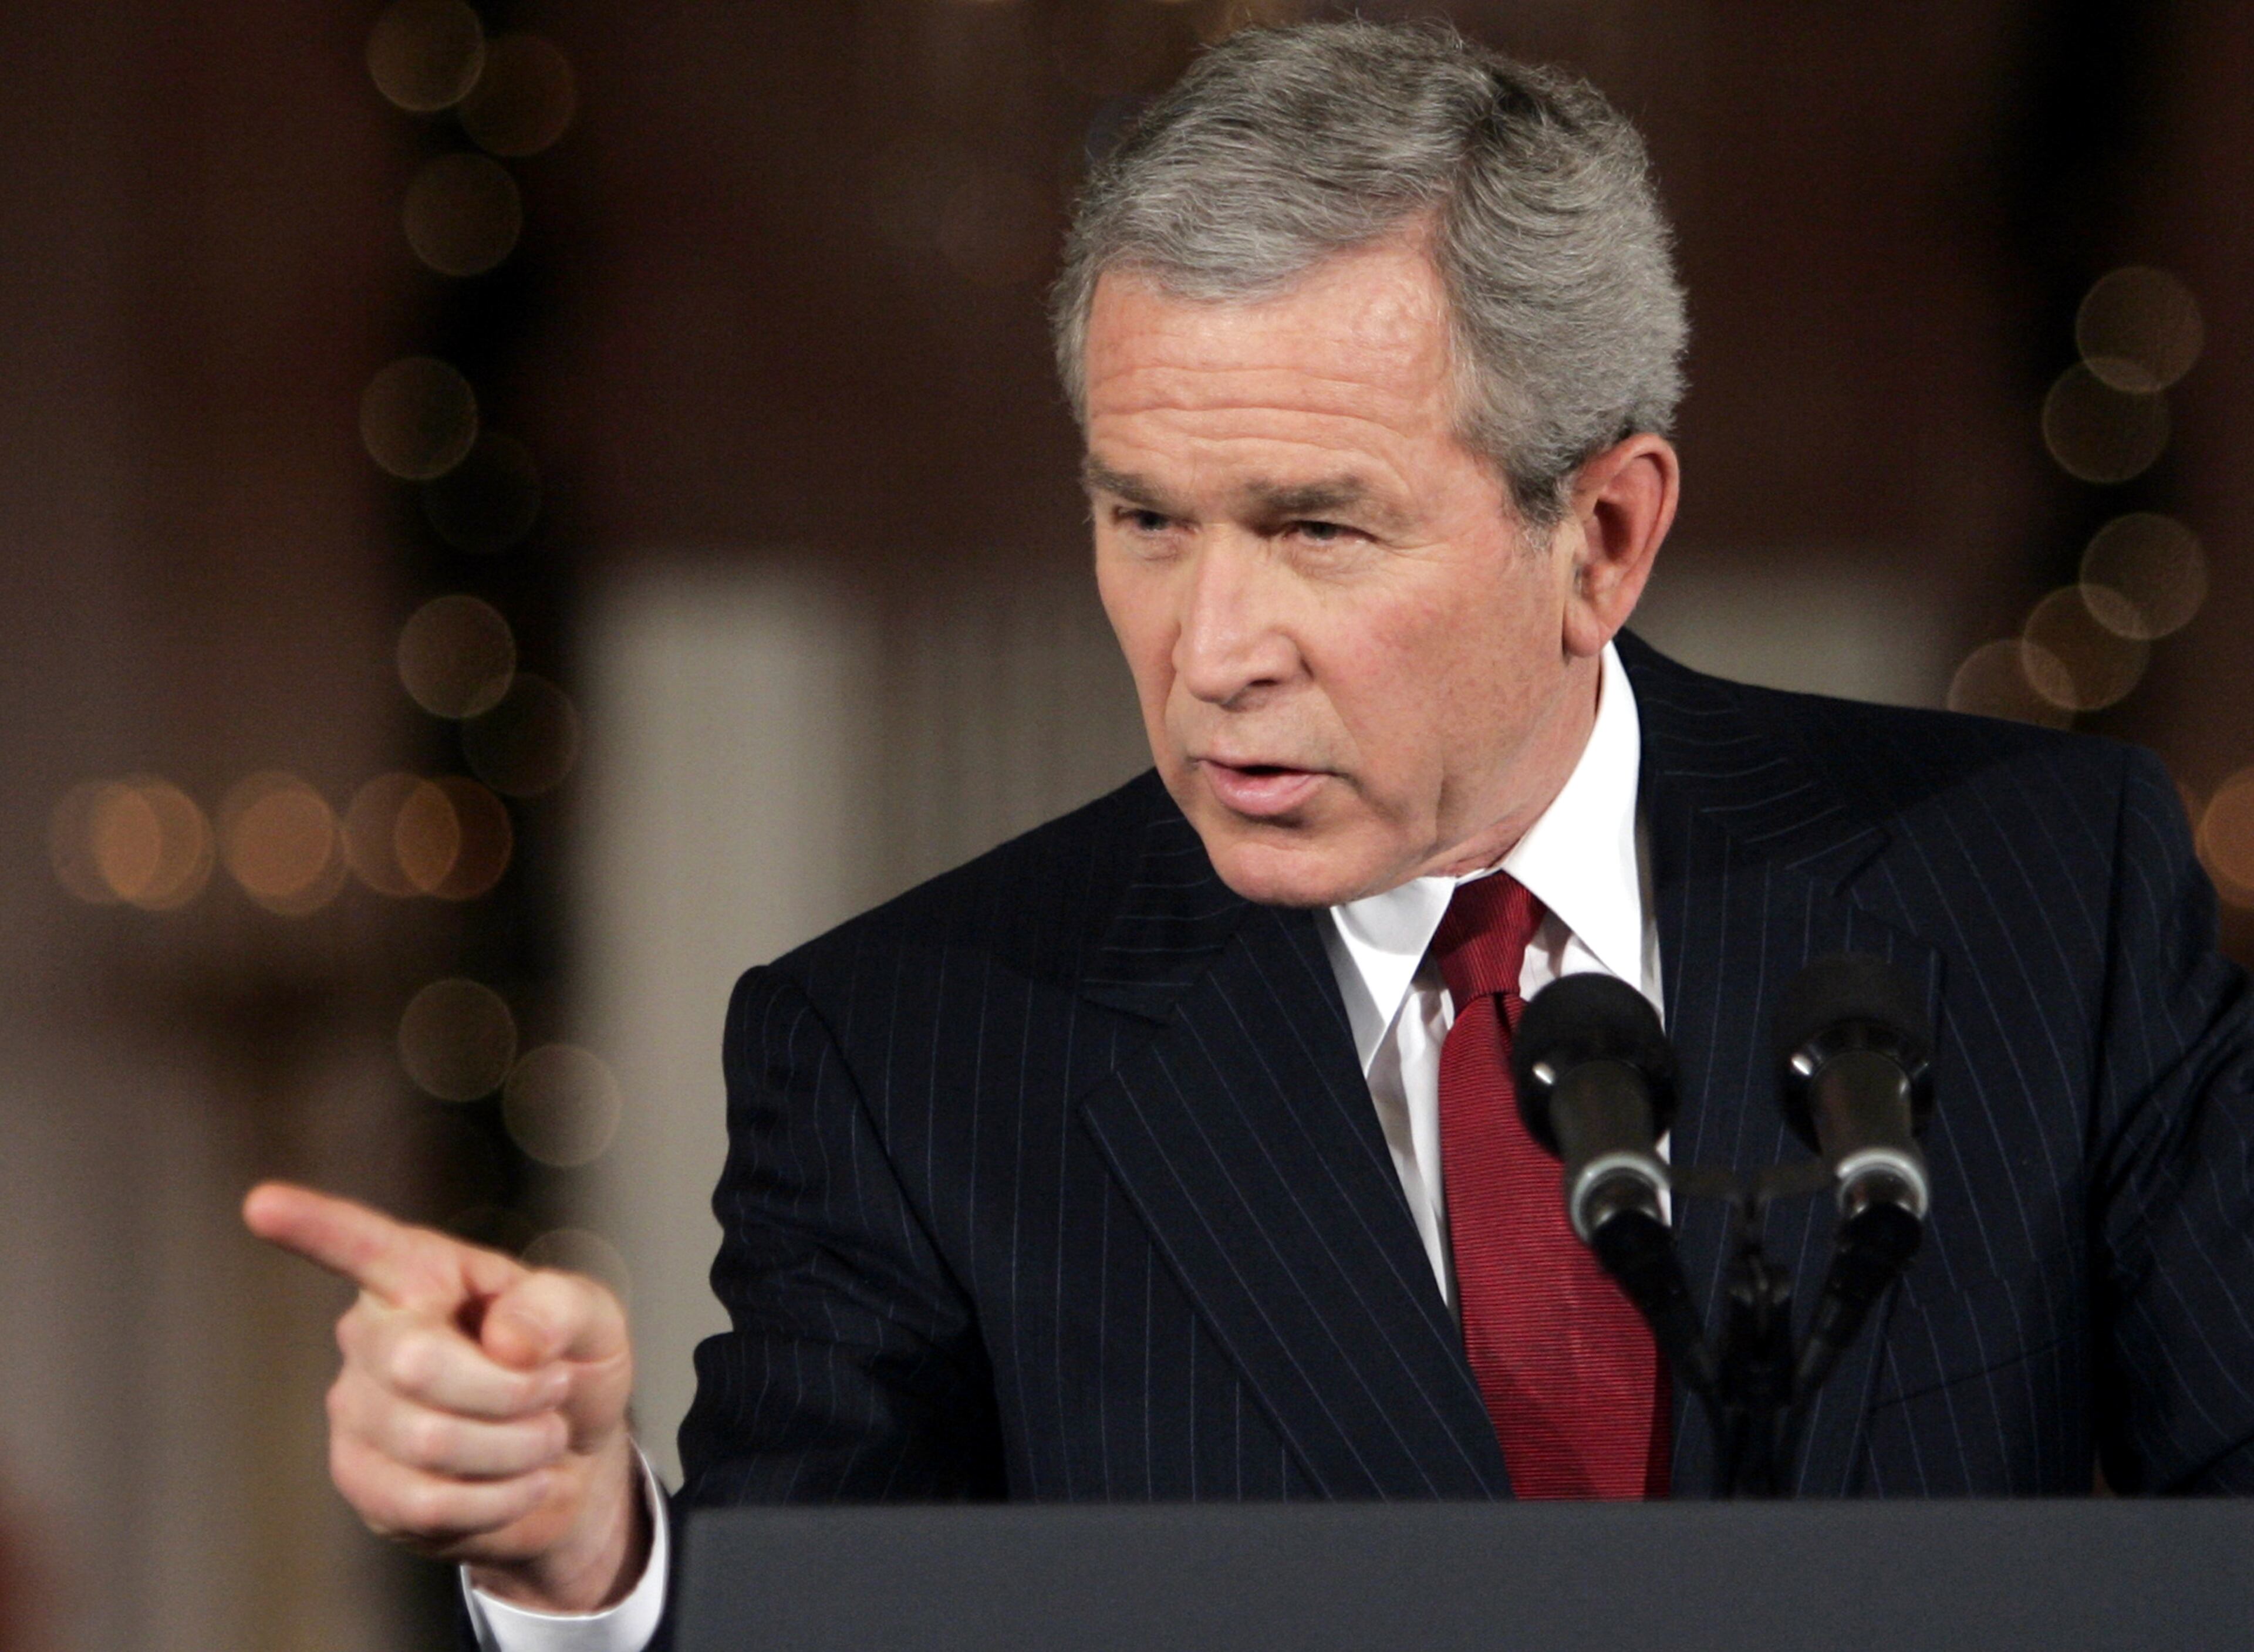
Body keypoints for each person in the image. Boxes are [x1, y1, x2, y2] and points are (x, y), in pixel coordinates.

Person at [244, 18, 2254, 1651]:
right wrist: (587, 1558)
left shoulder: (2039, 887)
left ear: (1607, 534)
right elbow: (815, 1619)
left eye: (1317, 528)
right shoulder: (919, 1046)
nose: (1210, 650)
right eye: (1144, 520)